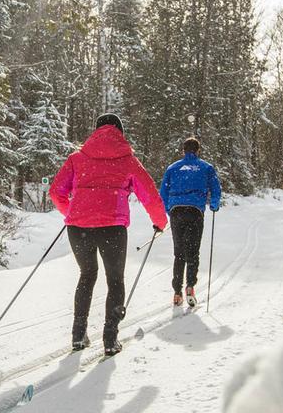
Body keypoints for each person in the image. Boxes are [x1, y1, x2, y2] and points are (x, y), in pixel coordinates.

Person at [49, 114, 169, 357]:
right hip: (112, 227)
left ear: (96, 131)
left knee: (87, 275)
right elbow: (149, 194)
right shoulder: (128, 160)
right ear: (120, 132)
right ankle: (110, 339)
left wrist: (72, 212)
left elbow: (55, 192)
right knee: (115, 279)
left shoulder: (77, 158)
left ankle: (78, 335)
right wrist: (160, 221)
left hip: (78, 227)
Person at [158, 137, 222, 307]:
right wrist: (214, 204)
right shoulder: (206, 167)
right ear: (198, 150)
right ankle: (190, 286)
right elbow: (215, 188)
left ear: (183, 151)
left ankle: (177, 292)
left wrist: (168, 210)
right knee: (193, 252)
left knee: (179, 253)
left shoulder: (173, 168)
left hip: (177, 211)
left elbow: (163, 191)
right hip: (195, 212)